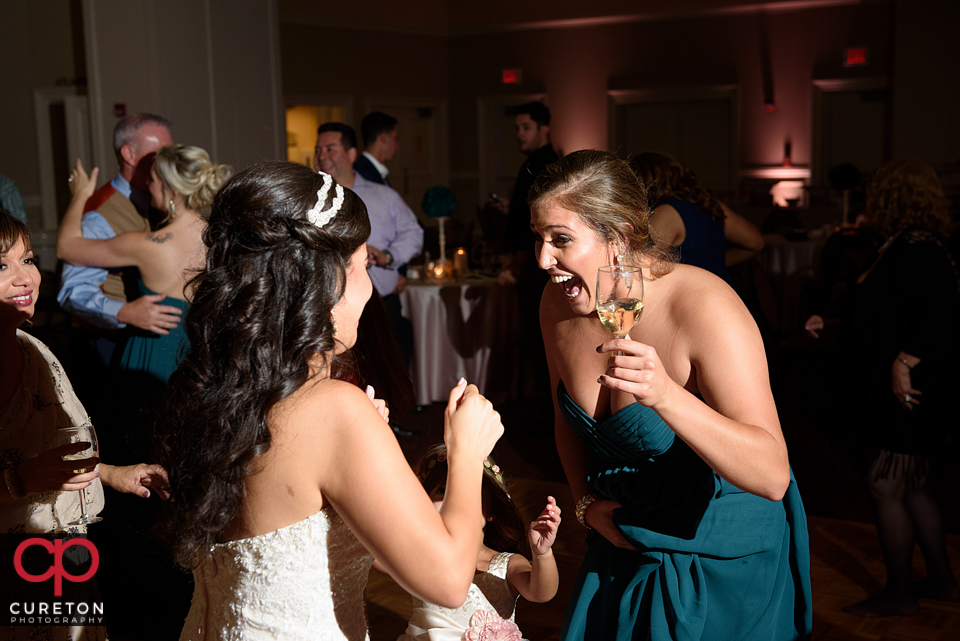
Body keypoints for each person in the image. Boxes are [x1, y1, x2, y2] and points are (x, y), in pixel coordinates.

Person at [152, 162, 504, 639]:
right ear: (320, 282)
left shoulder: (214, 390)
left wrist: (358, 460)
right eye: (361, 265)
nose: (369, 286)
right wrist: (467, 454)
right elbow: (447, 581)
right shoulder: (333, 409)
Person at [531, 151, 812, 640]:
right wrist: (584, 503)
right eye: (538, 238)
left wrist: (666, 396)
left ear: (616, 236)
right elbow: (565, 417)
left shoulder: (704, 306)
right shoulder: (556, 304)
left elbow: (771, 475)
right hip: (622, 544)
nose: (542, 259)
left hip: (719, 559)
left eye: (561, 240)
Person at [0, 208, 169, 640]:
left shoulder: (34, 348)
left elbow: (50, 451)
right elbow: (26, 471)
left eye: (29, 260)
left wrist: (113, 474)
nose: (25, 278)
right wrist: (19, 482)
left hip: (62, 557)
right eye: (1, 265)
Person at [806, 159, 960, 617]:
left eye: (877, 193)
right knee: (911, 487)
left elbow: (945, 314)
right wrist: (832, 323)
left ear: (892, 197)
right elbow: (886, 314)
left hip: (908, 392)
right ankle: (941, 581)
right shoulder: (901, 244)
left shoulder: (917, 246)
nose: (870, 200)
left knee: (884, 483)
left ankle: (900, 593)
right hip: (901, 389)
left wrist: (904, 361)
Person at [57, 146, 232, 386]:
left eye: (152, 179)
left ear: (172, 190)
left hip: (154, 351)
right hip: (202, 353)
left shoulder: (148, 245)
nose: (147, 184)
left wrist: (80, 194)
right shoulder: (220, 239)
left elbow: (66, 248)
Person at [397, 444, 561, 640]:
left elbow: (541, 593)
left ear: (492, 511)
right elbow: (368, 556)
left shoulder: (506, 564)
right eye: (442, 491)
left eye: (470, 494)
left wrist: (542, 554)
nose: (455, 503)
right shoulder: (418, 558)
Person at [57, 113, 179, 369]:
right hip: (107, 345)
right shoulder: (97, 215)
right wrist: (124, 312)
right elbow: (72, 291)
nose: (168, 161)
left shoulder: (167, 203)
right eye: (160, 152)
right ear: (129, 154)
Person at [314, 122, 422, 367]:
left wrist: (388, 255)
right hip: (327, 310)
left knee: (387, 374)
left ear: (351, 154)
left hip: (382, 307)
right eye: (318, 150)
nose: (322, 157)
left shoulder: (383, 196)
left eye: (330, 149)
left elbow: (413, 233)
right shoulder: (310, 201)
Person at [630, 151, 764, 287]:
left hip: (693, 296)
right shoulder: (709, 204)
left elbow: (640, 271)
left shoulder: (666, 213)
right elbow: (756, 242)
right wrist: (715, 263)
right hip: (723, 292)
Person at [355, 111, 400, 187]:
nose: (397, 145)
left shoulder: (372, 171)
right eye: (395, 138)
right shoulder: (366, 175)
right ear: (383, 138)